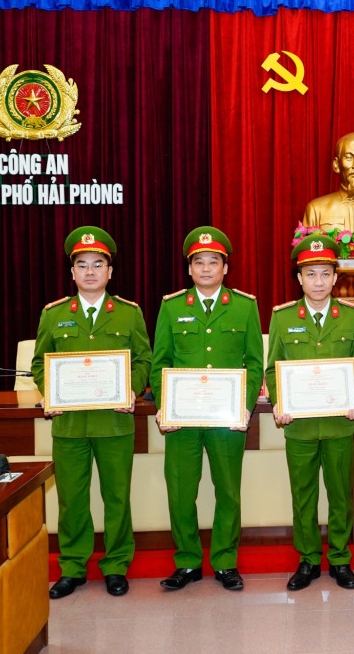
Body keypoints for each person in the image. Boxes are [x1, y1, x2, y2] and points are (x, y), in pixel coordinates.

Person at [31, 226, 151, 599]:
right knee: (71, 499)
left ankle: (116, 566)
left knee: (117, 498)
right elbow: (39, 363)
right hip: (70, 425)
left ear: (109, 272)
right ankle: (72, 567)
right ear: (72, 272)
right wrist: (50, 391)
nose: (90, 272)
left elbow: (144, 359)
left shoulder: (129, 313)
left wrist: (132, 389)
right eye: (82, 265)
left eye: (98, 264)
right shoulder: (54, 314)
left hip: (114, 423)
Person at [150, 226, 263, 592]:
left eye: (213, 262)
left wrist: (244, 406)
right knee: (181, 491)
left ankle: (225, 561)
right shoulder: (172, 306)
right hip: (182, 419)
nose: (206, 268)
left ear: (225, 268)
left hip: (226, 419)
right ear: (189, 268)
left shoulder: (244, 306)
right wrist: (164, 405)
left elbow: (254, 363)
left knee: (228, 491)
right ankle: (187, 561)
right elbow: (160, 361)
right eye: (199, 262)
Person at [265, 235, 354, 591]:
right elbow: (272, 369)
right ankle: (309, 559)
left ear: (335, 278)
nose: (318, 281)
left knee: (341, 495)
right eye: (310, 274)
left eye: (325, 274)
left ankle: (340, 558)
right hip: (299, 426)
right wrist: (279, 402)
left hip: (340, 423)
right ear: (299, 278)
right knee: (303, 496)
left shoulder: (351, 317)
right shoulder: (282, 317)